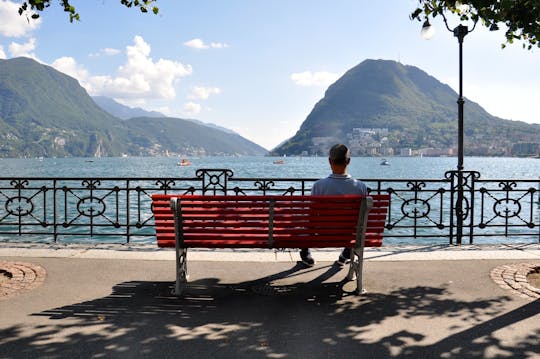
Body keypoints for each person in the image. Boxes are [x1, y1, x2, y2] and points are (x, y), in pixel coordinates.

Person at [300, 144, 368, 267]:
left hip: (322, 233)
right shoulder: (360, 187)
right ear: (348, 162)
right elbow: (363, 217)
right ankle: (346, 254)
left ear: (329, 161)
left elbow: (312, 216)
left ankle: (305, 253)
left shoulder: (319, 186)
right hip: (349, 234)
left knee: (306, 220)